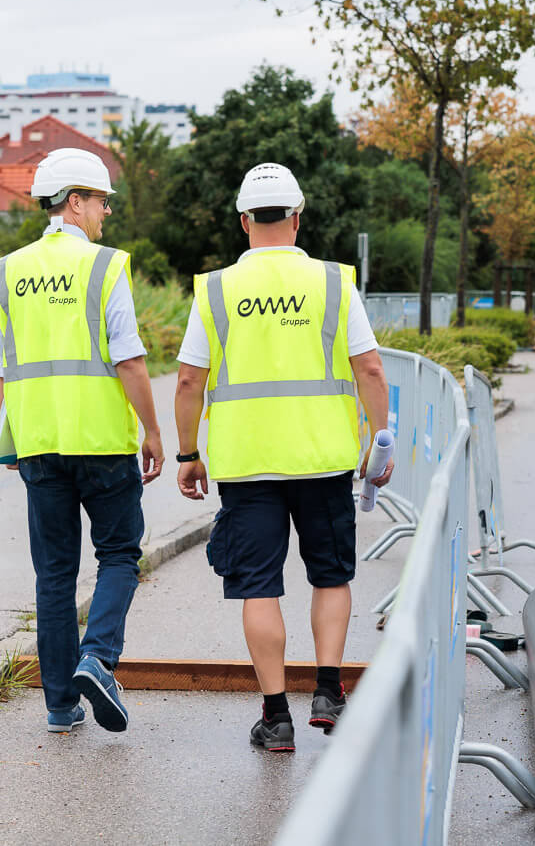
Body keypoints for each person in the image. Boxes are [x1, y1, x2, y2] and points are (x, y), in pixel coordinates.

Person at [172, 162, 392, 752]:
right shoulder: (331, 283)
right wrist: (380, 438)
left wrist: (188, 454)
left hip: (247, 466)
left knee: (259, 588)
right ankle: (328, 692)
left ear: (244, 221)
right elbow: (368, 366)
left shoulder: (215, 289)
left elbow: (190, 380)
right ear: (297, 217)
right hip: (323, 459)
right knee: (331, 575)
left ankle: (276, 718)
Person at [0, 147, 165, 735]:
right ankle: (98, 658)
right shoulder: (106, 266)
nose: (106, 213)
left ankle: (60, 707)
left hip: (40, 446)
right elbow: (130, 360)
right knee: (119, 555)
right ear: (74, 202)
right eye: (100, 201)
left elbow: (3, 370)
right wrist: (154, 431)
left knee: (54, 575)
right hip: (103, 442)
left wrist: (14, 440)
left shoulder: (5, 271)